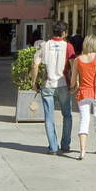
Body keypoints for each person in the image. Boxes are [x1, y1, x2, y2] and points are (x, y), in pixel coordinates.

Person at [32, 23, 75, 155]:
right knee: (67, 115)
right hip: (63, 84)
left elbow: (35, 65)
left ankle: (53, 147)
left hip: (47, 85)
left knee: (49, 117)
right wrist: (75, 83)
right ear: (64, 33)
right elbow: (74, 66)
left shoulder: (44, 46)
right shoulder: (68, 46)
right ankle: (65, 144)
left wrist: (34, 82)